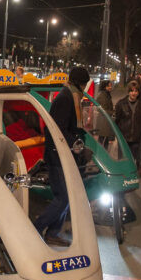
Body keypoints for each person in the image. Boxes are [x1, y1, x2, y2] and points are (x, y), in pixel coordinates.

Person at [34, 66, 90, 246]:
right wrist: (76, 143)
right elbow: (58, 129)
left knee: (67, 196)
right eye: (84, 84)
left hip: (63, 154)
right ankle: (35, 229)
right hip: (57, 155)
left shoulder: (69, 96)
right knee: (63, 197)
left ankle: (52, 233)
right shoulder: (66, 99)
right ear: (80, 83)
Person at [115, 81, 141, 177]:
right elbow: (116, 121)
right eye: (131, 91)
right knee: (123, 159)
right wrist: (114, 136)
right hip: (124, 138)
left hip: (137, 138)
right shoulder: (121, 104)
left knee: (134, 159)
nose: (133, 93)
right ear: (128, 92)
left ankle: (132, 175)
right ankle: (123, 175)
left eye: (135, 91)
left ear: (138, 92)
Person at [95, 80, 114, 148]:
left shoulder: (106, 95)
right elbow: (104, 110)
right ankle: (102, 156)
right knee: (102, 140)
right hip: (103, 121)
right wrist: (113, 113)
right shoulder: (103, 96)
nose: (110, 87)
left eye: (110, 86)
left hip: (104, 121)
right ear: (104, 87)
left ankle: (102, 155)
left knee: (104, 140)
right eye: (108, 86)